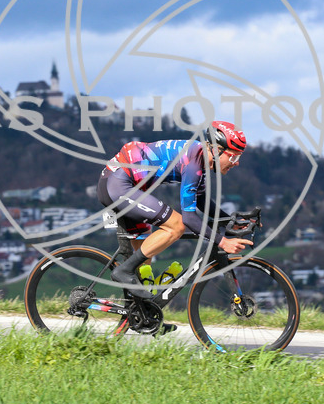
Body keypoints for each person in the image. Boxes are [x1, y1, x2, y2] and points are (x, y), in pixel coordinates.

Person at [97, 120, 254, 297]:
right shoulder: (193, 162)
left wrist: (229, 220)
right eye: (234, 157)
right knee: (177, 225)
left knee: (146, 259)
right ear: (218, 150)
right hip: (118, 185)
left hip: (128, 186)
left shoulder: (200, 157)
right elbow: (189, 218)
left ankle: (144, 317)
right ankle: (123, 271)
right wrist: (223, 241)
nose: (236, 163)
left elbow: (201, 200)